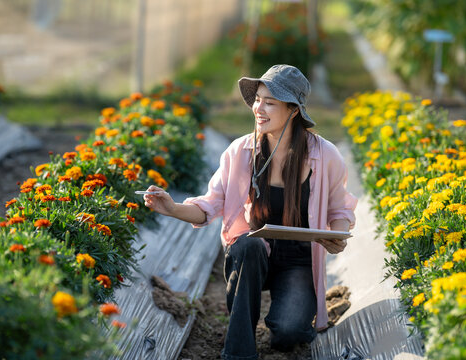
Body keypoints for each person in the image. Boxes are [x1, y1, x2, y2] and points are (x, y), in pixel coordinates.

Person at [143, 64, 357, 359]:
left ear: (294, 110)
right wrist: (172, 208)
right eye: (257, 99)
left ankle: (286, 320)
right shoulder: (240, 152)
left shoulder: (324, 155)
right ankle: (239, 351)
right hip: (253, 255)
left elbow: (340, 207)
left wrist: (338, 235)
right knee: (248, 245)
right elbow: (209, 205)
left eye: (270, 102)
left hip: (298, 260)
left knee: (290, 332)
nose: (259, 108)